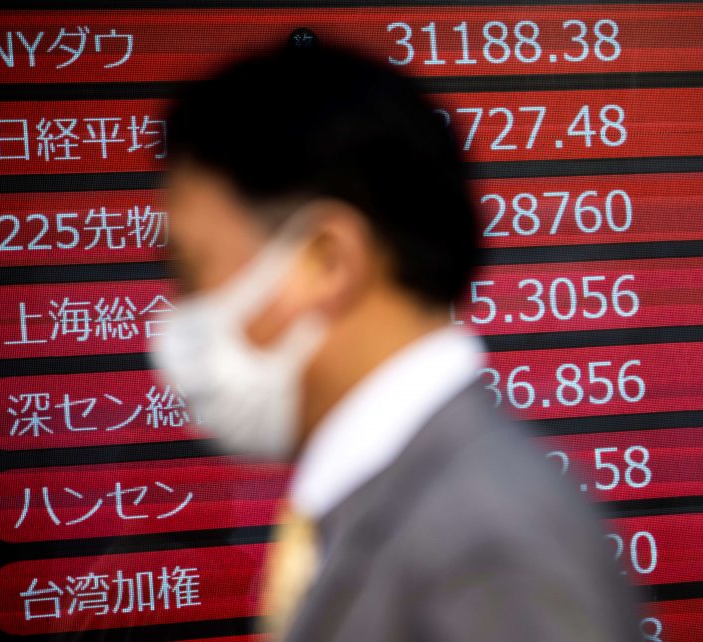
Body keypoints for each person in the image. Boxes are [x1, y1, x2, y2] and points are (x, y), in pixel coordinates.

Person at [152, 41, 642, 642]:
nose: (181, 315)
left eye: (194, 271)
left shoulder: (487, 543)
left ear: (326, 261)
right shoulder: (399, 501)